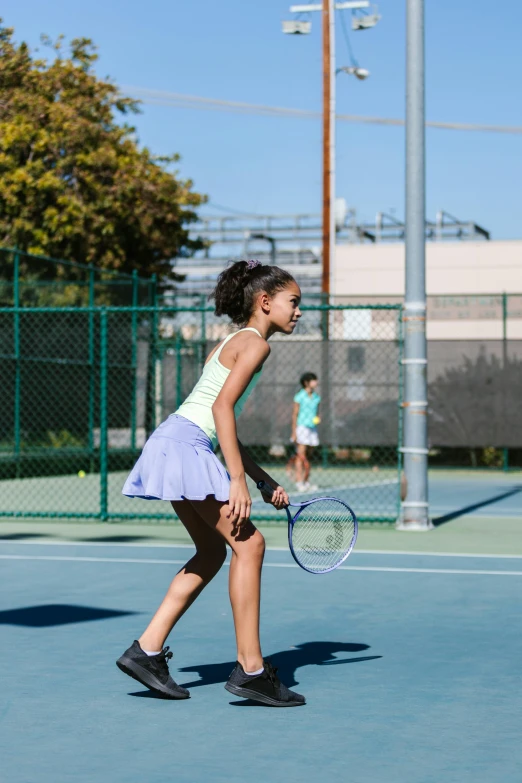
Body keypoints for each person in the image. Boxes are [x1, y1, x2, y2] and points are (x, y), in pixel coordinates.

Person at [117, 260, 306, 707]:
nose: (298, 312)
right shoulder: (256, 344)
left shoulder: (231, 341)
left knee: (211, 551)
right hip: (187, 446)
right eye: (293, 302)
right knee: (251, 545)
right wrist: (236, 481)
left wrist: (258, 478)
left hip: (171, 440)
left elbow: (221, 421)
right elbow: (222, 411)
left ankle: (145, 651)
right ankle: (252, 670)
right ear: (265, 302)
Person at [291, 372, 321, 492]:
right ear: (306, 382)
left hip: (312, 428)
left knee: (308, 456)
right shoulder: (299, 396)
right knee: (301, 455)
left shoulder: (317, 397)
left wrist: (317, 419)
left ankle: (306, 481)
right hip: (301, 427)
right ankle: (299, 482)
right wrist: (294, 432)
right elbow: (295, 414)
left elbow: (317, 413)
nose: (316, 382)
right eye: (314, 380)